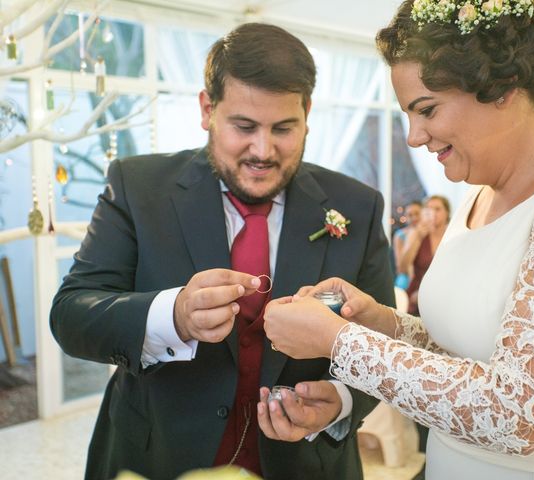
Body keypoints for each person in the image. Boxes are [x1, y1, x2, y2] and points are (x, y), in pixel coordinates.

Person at [262, 1, 534, 479]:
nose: (415, 137)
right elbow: (472, 355)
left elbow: (522, 413)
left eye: (427, 110)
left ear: (502, 86)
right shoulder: (480, 193)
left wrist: (339, 342)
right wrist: (383, 324)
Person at [49, 23, 394, 480]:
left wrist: (341, 400)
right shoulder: (137, 186)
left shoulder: (357, 205)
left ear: (308, 113)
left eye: (284, 128)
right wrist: (172, 316)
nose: (263, 150)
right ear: (207, 109)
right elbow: (72, 314)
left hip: (307, 467)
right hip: (158, 457)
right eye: (244, 127)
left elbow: (384, 341)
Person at [400, 195, 450, 314]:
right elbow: (403, 268)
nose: (432, 212)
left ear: (447, 213)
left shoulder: (452, 234)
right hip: (417, 295)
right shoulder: (416, 233)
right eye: (428, 209)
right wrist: (417, 237)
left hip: (446, 294)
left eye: (437, 209)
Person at [392, 200, 422, 290]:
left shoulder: (429, 231)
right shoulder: (400, 235)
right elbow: (400, 267)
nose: (414, 218)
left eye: (417, 214)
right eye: (410, 215)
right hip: (406, 278)